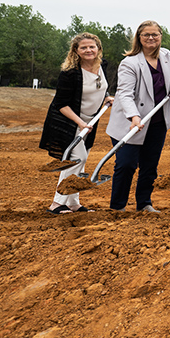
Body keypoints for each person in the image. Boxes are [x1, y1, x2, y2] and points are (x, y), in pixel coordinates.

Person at [106, 21, 170, 212]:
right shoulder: (130, 63)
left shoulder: (166, 55)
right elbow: (124, 94)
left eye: (155, 35)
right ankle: (118, 207)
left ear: (160, 36)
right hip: (131, 122)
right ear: (139, 38)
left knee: (149, 166)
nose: (151, 38)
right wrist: (133, 116)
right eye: (146, 35)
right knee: (126, 164)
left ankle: (144, 203)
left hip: (156, 122)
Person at [39, 33, 113, 214]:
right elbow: (60, 104)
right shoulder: (70, 73)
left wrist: (106, 97)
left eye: (92, 47)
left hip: (89, 122)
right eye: (84, 47)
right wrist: (80, 122)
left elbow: (98, 88)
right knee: (76, 160)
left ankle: (73, 203)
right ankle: (57, 203)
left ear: (98, 48)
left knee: (80, 159)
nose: (89, 50)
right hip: (69, 122)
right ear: (76, 51)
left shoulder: (101, 66)